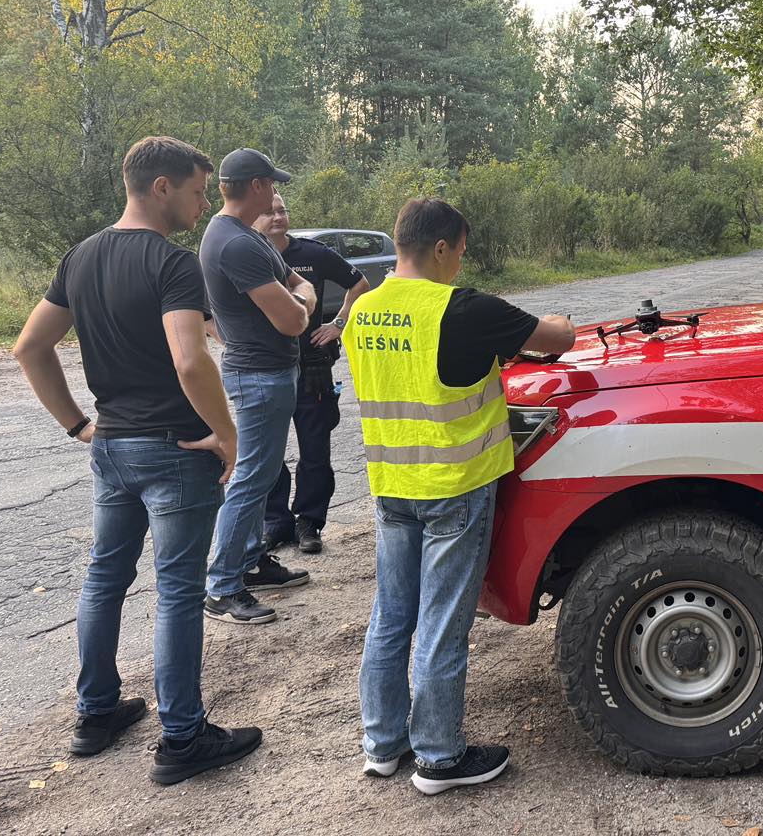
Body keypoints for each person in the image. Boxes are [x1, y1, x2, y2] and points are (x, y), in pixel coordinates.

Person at [12, 136, 262, 785]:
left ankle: (96, 714)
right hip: (178, 451)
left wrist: (78, 425)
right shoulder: (173, 264)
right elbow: (189, 359)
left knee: (104, 578)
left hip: (113, 447)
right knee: (179, 592)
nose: (203, 203)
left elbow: (30, 347)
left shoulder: (81, 257)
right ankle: (182, 739)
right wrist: (228, 434)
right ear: (162, 187)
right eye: (198, 191)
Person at [345, 197, 575, 795]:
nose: (460, 267)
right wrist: (559, 316)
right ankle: (440, 758)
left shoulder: (362, 311)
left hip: (391, 486)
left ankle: (382, 744)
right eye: (460, 255)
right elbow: (555, 340)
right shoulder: (462, 308)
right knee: (442, 623)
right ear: (443, 248)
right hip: (454, 488)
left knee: (390, 618)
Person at [199, 148, 314, 625]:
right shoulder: (237, 244)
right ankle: (222, 586)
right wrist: (303, 302)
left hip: (266, 372)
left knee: (259, 475)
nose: (274, 193)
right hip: (259, 377)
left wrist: (300, 296)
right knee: (249, 479)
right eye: (271, 184)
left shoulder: (245, 236)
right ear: (257, 186)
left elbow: (298, 283)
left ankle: (250, 561)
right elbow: (293, 319)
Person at [253, 193, 370, 553]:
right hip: (265, 368)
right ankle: (277, 523)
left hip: (312, 369)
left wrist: (338, 324)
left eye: (282, 210)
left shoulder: (312, 254)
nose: (278, 217)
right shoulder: (246, 255)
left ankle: (309, 522)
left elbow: (360, 284)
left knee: (315, 451)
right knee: (268, 453)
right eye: (269, 212)